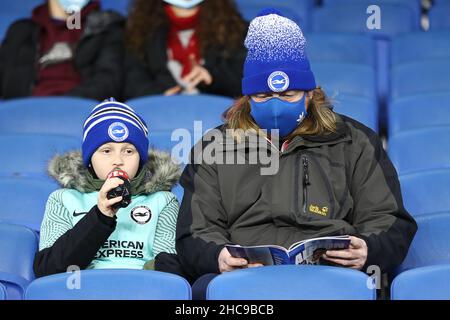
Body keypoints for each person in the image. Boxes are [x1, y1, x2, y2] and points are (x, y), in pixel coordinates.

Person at [173, 9, 418, 299]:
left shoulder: (355, 141)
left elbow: (388, 220)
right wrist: (218, 257)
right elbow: (195, 232)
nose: (276, 105)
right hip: (246, 280)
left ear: (310, 93)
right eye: (263, 96)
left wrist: (367, 249)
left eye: (288, 94)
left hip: (331, 277)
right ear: (247, 98)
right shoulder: (214, 147)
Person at [34, 98, 181, 277]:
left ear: (140, 158)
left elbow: (170, 273)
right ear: (90, 158)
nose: (118, 161)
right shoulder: (62, 199)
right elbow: (49, 269)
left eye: (128, 151)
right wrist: (101, 216)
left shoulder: (163, 200)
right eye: (106, 150)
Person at [0, 0, 124, 100]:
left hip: (78, 115)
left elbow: (107, 83)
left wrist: (59, 107)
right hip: (24, 117)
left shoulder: (107, 28)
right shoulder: (20, 31)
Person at [124, 0, 247, 99]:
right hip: (161, 118)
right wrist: (160, 94)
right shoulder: (138, 32)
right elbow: (132, 80)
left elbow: (246, 79)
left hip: (218, 117)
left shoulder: (235, 29)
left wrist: (212, 79)